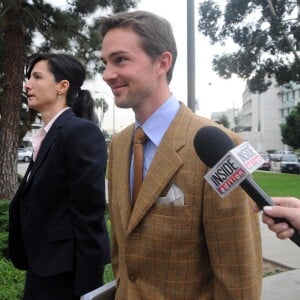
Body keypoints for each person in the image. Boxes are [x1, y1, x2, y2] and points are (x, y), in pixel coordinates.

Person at [100, 10, 262, 299]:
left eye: (120, 60)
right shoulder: (119, 144)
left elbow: (238, 277)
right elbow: (121, 248)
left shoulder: (222, 146)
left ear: (162, 62)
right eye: (105, 63)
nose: (106, 74)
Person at [9, 53, 110, 300]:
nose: (27, 85)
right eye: (28, 78)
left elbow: (89, 217)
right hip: (41, 269)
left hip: (65, 276)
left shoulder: (79, 132)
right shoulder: (47, 135)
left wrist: (88, 292)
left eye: (37, 77)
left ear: (62, 87)